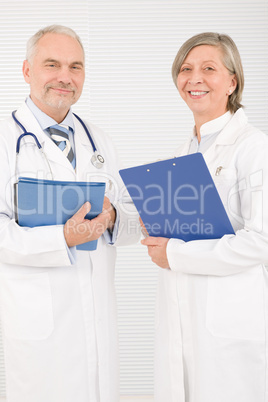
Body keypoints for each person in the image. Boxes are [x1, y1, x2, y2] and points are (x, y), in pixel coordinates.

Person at [0, 25, 140, 402]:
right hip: (38, 327)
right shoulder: (4, 140)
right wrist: (62, 238)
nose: (65, 77)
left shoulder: (100, 140)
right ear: (27, 70)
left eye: (75, 66)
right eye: (52, 64)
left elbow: (131, 219)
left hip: (97, 320)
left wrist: (111, 219)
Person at [142, 32, 268, 402]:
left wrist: (175, 254)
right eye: (186, 69)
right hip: (184, 320)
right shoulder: (182, 153)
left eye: (208, 69)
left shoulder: (254, 148)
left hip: (230, 323)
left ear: (232, 81)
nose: (194, 78)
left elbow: (261, 240)